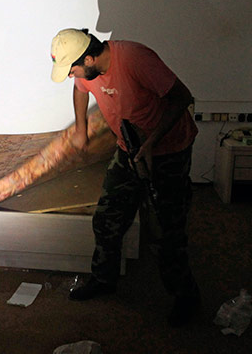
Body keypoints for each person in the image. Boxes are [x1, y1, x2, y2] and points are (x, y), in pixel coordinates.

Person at [50, 28, 200, 326]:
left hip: (168, 148)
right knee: (107, 218)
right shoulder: (87, 71)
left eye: (73, 70)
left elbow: (183, 98)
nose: (71, 76)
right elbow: (80, 88)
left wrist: (151, 144)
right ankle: (104, 280)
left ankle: (186, 297)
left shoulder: (135, 59)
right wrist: (81, 130)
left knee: (165, 230)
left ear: (90, 58)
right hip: (128, 147)